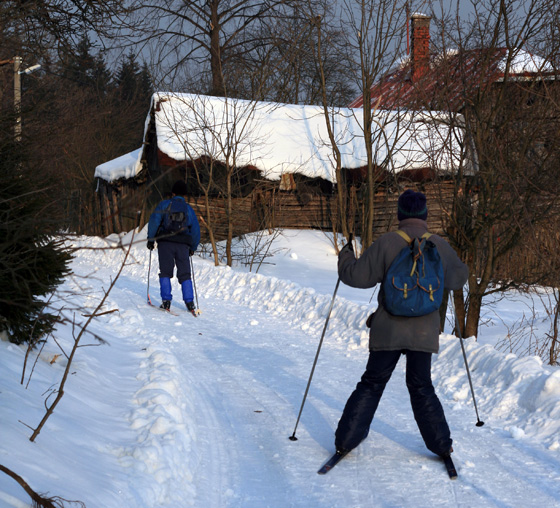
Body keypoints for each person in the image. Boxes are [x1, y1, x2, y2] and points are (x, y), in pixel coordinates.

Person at [334, 189, 468, 460]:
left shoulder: (387, 243)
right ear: (425, 215)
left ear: (399, 214)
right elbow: (457, 280)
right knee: (421, 386)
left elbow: (357, 277)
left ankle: (346, 441)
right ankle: (442, 445)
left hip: (388, 329)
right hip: (423, 331)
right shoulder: (438, 245)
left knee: (372, 383)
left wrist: (345, 256)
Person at [147, 180, 201, 312]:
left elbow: (154, 221)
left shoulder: (165, 205)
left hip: (165, 243)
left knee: (165, 272)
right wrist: (192, 248)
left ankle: (166, 301)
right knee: (185, 274)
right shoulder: (188, 209)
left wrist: (151, 239)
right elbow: (195, 230)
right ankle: (190, 302)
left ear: (173, 193)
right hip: (183, 245)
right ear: (184, 195)